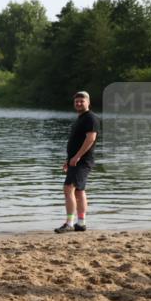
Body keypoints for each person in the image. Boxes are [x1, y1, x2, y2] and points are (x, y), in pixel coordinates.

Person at [55, 90, 100, 233]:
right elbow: (76, 141)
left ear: (88, 102)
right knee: (79, 191)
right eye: (76, 101)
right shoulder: (81, 118)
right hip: (76, 160)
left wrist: (77, 157)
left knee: (68, 189)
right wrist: (69, 160)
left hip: (82, 161)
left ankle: (69, 223)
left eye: (82, 101)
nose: (79, 103)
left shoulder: (91, 118)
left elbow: (90, 139)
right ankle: (81, 223)